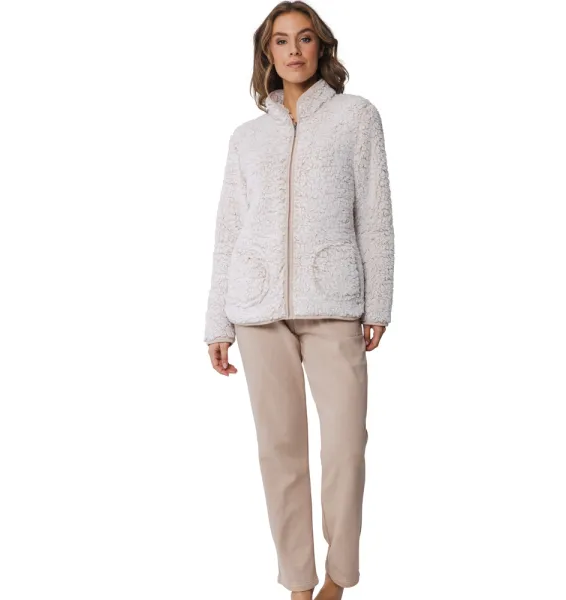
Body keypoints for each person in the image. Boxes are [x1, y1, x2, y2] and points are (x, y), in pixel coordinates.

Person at [203, 2, 394, 599]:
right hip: (256, 309)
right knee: (279, 452)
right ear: (268, 53)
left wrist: (379, 303)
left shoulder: (356, 118)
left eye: (304, 38)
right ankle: (298, 582)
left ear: (321, 47)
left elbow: (376, 215)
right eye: (281, 40)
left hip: (333, 301)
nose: (293, 50)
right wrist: (217, 322)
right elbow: (229, 229)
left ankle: (340, 574)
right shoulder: (247, 137)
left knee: (345, 447)